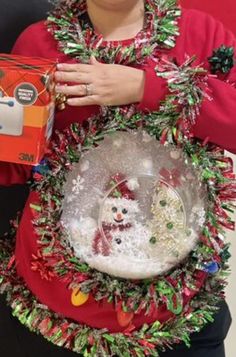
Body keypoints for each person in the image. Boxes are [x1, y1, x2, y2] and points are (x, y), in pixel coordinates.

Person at [0, 0, 235, 356]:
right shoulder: (40, 44)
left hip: (176, 308)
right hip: (62, 311)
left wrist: (149, 87)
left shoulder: (201, 36)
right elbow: (15, 165)